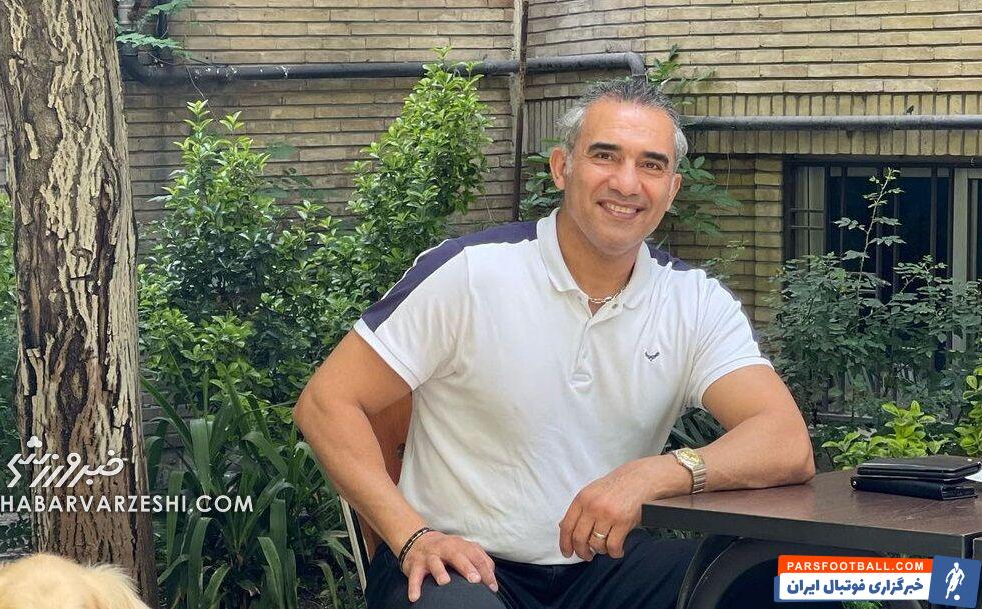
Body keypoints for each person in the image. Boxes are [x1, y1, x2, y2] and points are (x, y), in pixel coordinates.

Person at [295, 78, 820, 609]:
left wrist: (655, 474)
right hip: (461, 565)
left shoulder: (694, 301)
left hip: (607, 566)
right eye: (605, 156)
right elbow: (327, 402)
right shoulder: (472, 272)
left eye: (651, 165)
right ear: (561, 167)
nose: (627, 182)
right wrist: (411, 535)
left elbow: (784, 442)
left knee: (796, 581)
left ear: (671, 189)